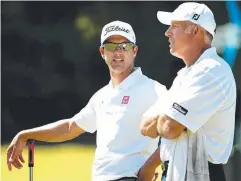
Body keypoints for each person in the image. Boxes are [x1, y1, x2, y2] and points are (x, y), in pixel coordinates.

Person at [6, 20, 167, 181]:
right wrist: (26, 134)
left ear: (134, 51)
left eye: (124, 46)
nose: (117, 52)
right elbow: (70, 127)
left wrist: (149, 168)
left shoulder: (154, 89)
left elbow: (175, 129)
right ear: (102, 52)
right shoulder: (102, 96)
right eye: (111, 47)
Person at [138, 2, 236, 181]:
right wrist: (149, 166)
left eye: (174, 26)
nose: (167, 32)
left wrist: (171, 121)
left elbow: (169, 127)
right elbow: (146, 127)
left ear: (195, 30)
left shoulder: (212, 70)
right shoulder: (185, 75)